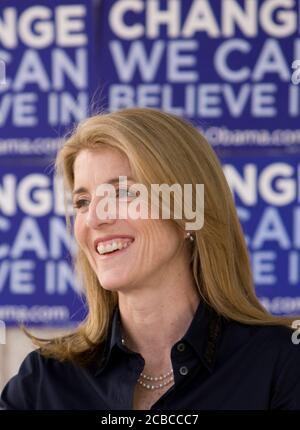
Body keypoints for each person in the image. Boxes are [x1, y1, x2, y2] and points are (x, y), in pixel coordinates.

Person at [1, 107, 300, 410]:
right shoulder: (42, 382)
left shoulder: (282, 366)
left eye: (123, 193)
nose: (94, 218)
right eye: (82, 201)